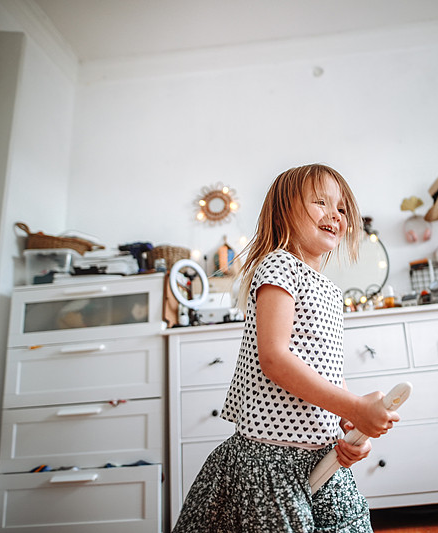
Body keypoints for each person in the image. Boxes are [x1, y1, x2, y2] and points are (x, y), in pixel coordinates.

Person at [172, 164, 401, 533]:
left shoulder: (328, 289)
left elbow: (328, 374)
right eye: (320, 202)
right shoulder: (280, 266)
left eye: (341, 209)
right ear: (285, 212)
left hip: (322, 455)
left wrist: (350, 423)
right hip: (272, 460)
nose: (334, 215)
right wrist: (355, 407)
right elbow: (275, 359)